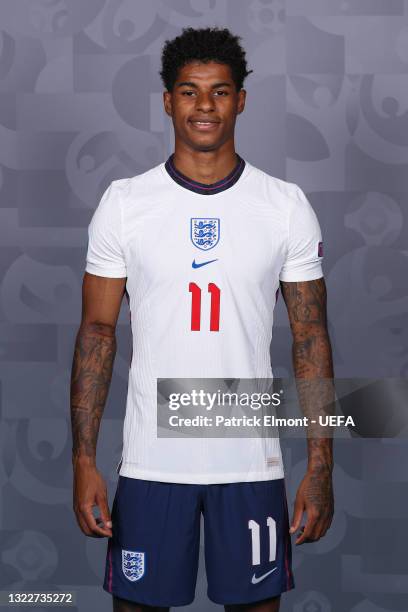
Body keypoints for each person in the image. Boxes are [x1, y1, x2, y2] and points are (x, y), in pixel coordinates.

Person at [71, 26, 334, 612]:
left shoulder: (284, 205)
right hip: (150, 462)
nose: (205, 106)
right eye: (189, 92)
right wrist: (84, 460)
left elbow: (309, 337)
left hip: (250, 461)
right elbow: (98, 333)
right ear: (168, 101)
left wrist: (319, 465)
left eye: (219, 92)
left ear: (241, 99)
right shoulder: (126, 203)